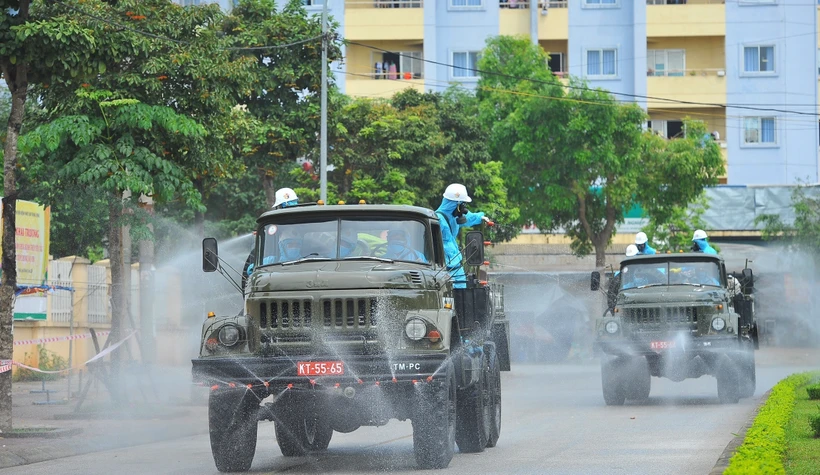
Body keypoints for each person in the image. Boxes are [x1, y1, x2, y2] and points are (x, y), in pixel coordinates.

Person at [436, 183, 490, 288]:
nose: (464, 208)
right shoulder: (438, 220)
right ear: (456, 204)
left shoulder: (454, 216)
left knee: (461, 294)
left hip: (455, 266)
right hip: (445, 269)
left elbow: (468, 217)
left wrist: (480, 217)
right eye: (463, 204)